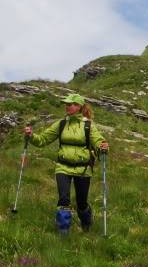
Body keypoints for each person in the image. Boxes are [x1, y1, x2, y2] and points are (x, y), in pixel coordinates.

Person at [24, 93, 109, 233]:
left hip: (83, 169)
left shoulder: (88, 126)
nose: (67, 106)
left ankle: (87, 222)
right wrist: (31, 135)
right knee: (63, 199)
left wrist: (102, 147)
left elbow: (98, 141)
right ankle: (63, 232)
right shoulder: (61, 123)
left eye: (71, 104)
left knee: (81, 203)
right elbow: (43, 140)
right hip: (62, 167)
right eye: (67, 104)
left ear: (79, 107)